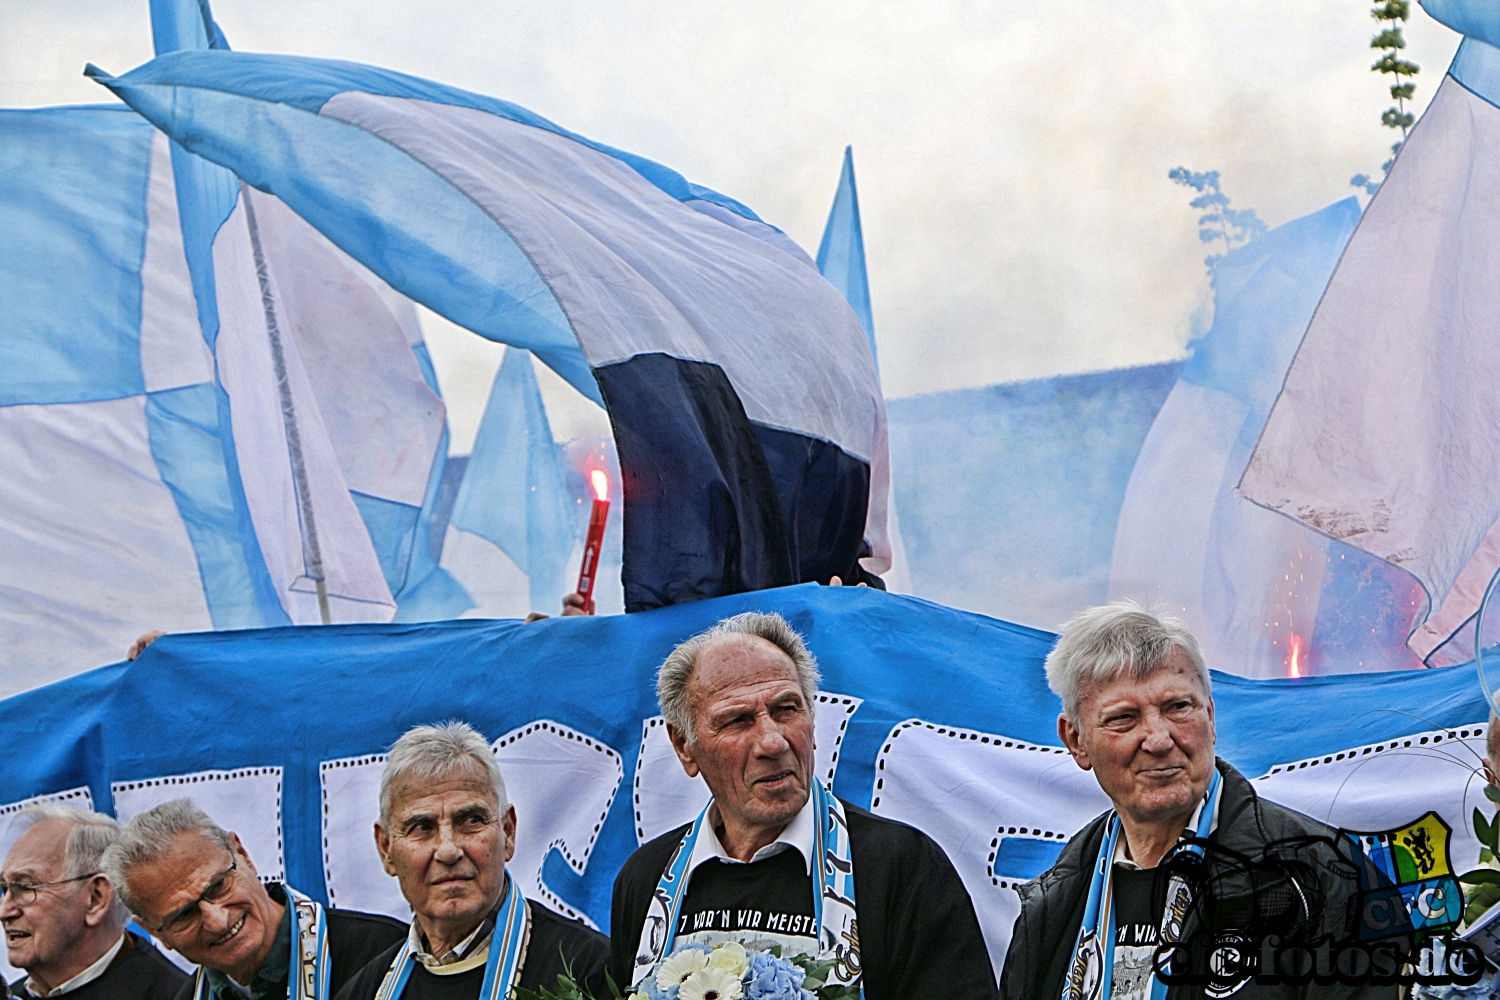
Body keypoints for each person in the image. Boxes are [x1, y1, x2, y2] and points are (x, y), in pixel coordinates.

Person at [998, 600, 1404, 1000]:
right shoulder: (1055, 903)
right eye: (1124, 718)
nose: (1158, 740)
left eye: (1178, 708)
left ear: (1211, 717)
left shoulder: (1322, 880)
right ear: (1076, 740)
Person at [610, 612, 996, 1000]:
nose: (773, 743)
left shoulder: (899, 865)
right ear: (683, 747)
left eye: (786, 709)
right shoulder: (646, 878)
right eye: (738, 720)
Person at [335, 722, 610, 1000]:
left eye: (471, 821)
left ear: (507, 833)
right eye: (421, 827)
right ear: (386, 849)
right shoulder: (364, 992)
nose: (448, 850)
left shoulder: (590, 971)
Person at [101, 799, 406, 1000]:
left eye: (218, 886)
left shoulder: (385, 953)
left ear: (243, 856)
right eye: (183, 915)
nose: (218, 921)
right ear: (155, 932)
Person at [1, 804, 184, 999]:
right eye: (4, 889)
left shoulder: (177, 995)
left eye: (26, 888)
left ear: (96, 897)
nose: (4, 911)